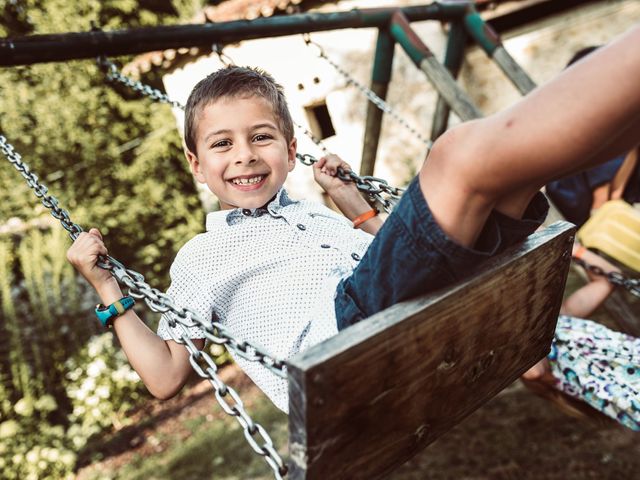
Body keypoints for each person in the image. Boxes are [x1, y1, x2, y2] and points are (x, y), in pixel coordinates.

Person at [67, 25, 640, 413]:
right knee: (456, 156)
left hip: (399, 310)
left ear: (291, 151)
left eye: (261, 137)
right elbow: (166, 376)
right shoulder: (202, 257)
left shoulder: (314, 219)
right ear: (196, 164)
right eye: (222, 144)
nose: (243, 154)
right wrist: (108, 289)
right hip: (342, 349)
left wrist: (352, 205)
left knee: (516, 180)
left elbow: (397, 263)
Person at [522, 245, 640, 430]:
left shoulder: (562, 318)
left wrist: (571, 247)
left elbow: (608, 277)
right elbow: (534, 372)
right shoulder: (528, 355)